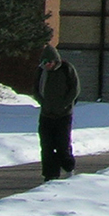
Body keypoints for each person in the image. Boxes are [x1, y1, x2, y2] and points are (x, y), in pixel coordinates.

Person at [34, 45, 80, 181]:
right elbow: (36, 89)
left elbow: (75, 89)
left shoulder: (67, 69)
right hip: (46, 114)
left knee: (62, 145)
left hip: (63, 115)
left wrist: (65, 104)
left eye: (48, 62)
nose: (46, 65)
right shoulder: (41, 72)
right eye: (44, 62)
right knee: (47, 146)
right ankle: (50, 174)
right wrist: (43, 103)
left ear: (55, 61)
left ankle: (68, 168)